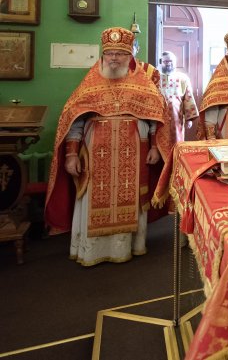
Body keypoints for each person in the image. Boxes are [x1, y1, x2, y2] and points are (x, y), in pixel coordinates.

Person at [45, 27, 174, 266]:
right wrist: (71, 154)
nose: (114, 58)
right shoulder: (90, 84)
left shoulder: (143, 83)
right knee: (92, 197)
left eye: (120, 53)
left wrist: (155, 147)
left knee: (131, 197)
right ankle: (91, 252)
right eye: (110, 53)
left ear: (130, 55)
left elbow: (156, 118)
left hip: (134, 152)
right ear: (103, 54)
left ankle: (128, 247)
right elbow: (75, 120)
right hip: (95, 154)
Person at [158, 51, 199, 143]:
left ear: (175, 62)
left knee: (176, 141)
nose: (168, 63)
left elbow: (188, 97)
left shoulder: (183, 78)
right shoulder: (155, 77)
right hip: (159, 118)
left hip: (176, 117)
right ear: (161, 62)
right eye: (166, 61)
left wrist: (189, 119)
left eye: (171, 61)